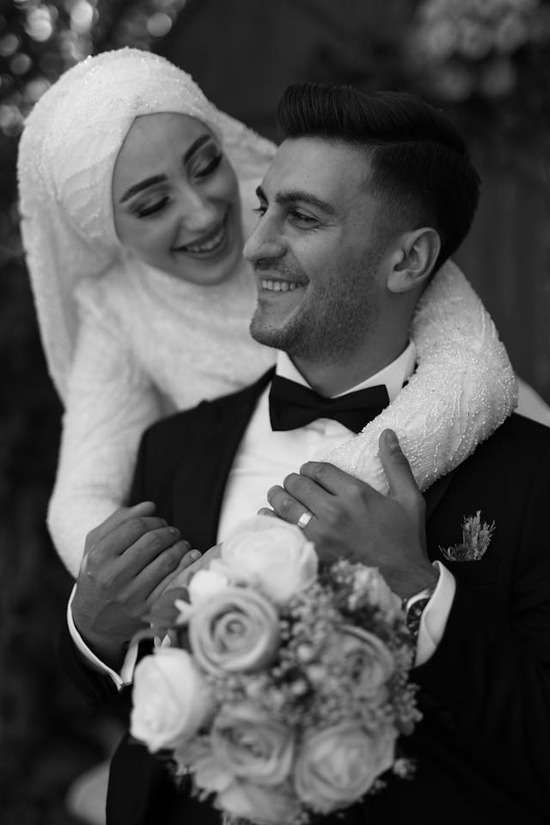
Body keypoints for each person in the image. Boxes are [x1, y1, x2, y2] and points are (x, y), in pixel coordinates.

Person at [61, 83, 550, 824]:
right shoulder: (174, 449)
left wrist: (417, 585)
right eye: (265, 206)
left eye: (304, 216)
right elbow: (147, 709)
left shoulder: (530, 472)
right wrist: (97, 633)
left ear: (408, 259)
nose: (255, 245)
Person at [18, 48, 537, 579]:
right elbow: (82, 495)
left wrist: (270, 544)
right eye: (152, 206)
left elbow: (472, 373)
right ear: (108, 232)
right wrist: (160, 589)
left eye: (206, 165)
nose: (203, 214)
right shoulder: (115, 309)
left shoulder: (316, 196)